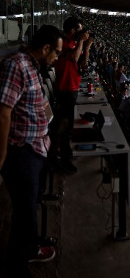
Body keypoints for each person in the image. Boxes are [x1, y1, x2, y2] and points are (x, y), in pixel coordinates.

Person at [0, 24, 62, 278]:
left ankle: (30, 247)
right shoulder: (17, 65)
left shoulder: (33, 65)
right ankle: (17, 268)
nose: (57, 58)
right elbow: (3, 112)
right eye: (56, 52)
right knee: (25, 212)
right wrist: (2, 155)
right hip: (21, 152)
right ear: (45, 48)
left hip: (36, 149)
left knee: (30, 206)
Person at [49, 17, 92, 173]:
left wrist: (86, 47)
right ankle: (58, 158)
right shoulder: (64, 43)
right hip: (65, 89)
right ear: (73, 30)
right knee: (64, 126)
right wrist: (80, 41)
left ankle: (64, 154)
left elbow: (82, 64)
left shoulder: (73, 43)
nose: (82, 33)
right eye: (79, 30)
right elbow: (73, 57)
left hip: (71, 87)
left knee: (68, 126)